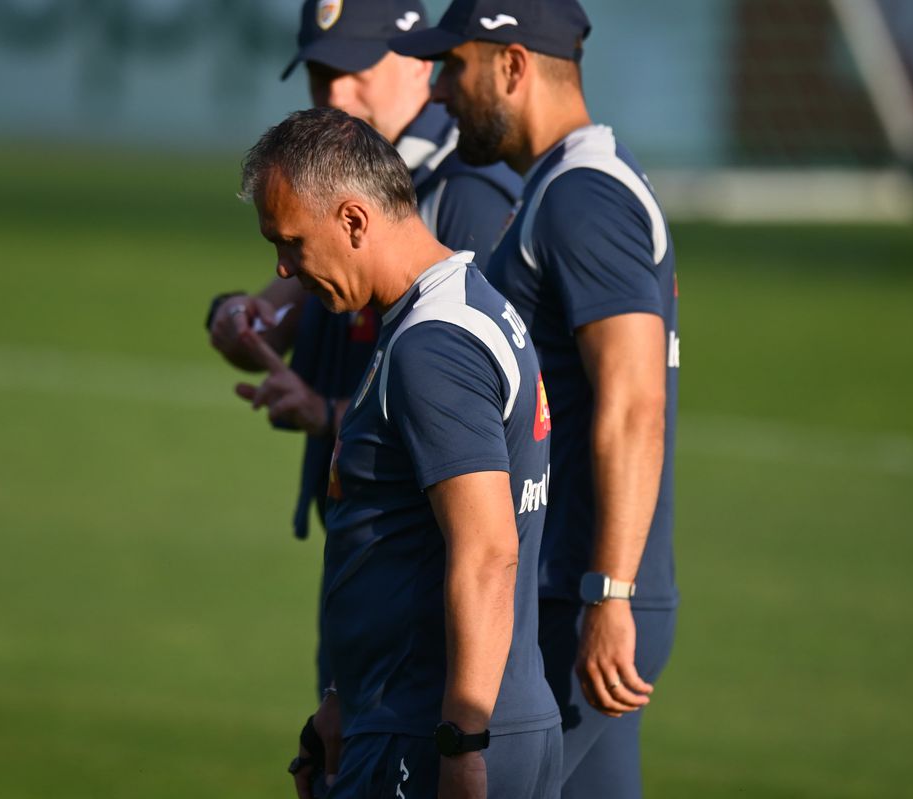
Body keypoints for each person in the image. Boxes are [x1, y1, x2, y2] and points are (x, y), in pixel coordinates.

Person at [391, 2, 680, 797]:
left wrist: (609, 592)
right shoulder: (564, 187)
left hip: (580, 596)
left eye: (456, 67)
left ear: (513, 65)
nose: (442, 94)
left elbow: (634, 402)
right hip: (583, 592)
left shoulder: (584, 197)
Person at [242, 106, 560, 799]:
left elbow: (487, 551)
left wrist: (462, 747)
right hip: (421, 719)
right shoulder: (459, 310)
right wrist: (343, 699)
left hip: (433, 733)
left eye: (292, 242)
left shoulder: (432, 346)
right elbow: (401, 541)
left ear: (354, 220)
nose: (283, 267)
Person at [207, 0, 521, 546]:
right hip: (367, 531)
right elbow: (276, 314)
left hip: (423, 546)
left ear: (418, 63)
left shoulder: (464, 191)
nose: (335, 97)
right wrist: (238, 317)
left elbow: (481, 398)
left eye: (355, 72)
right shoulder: (349, 189)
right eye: (320, 75)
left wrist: (326, 412)